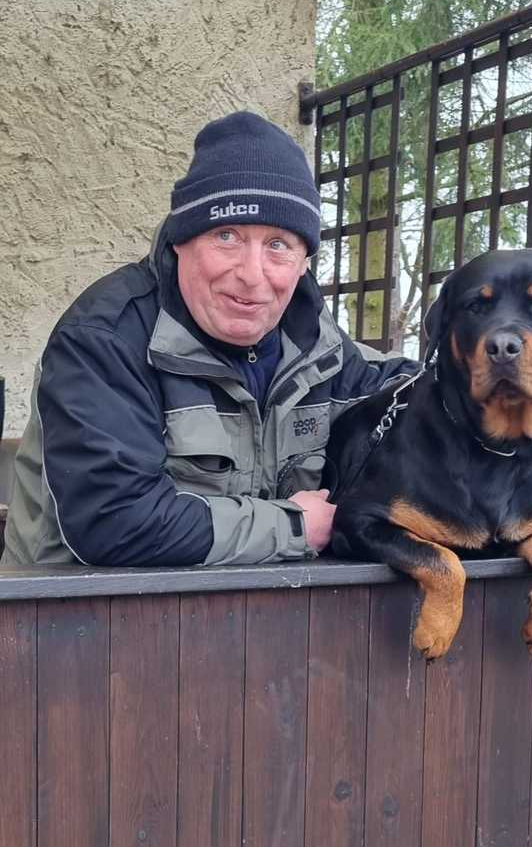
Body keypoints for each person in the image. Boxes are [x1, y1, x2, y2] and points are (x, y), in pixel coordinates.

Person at [4, 112, 417, 568]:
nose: (252, 275)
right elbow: (113, 521)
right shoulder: (103, 342)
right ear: (180, 240)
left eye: (278, 244)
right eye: (227, 235)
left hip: (251, 608)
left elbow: (418, 392)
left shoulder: (320, 346)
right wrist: (294, 526)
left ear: (303, 262)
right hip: (71, 607)